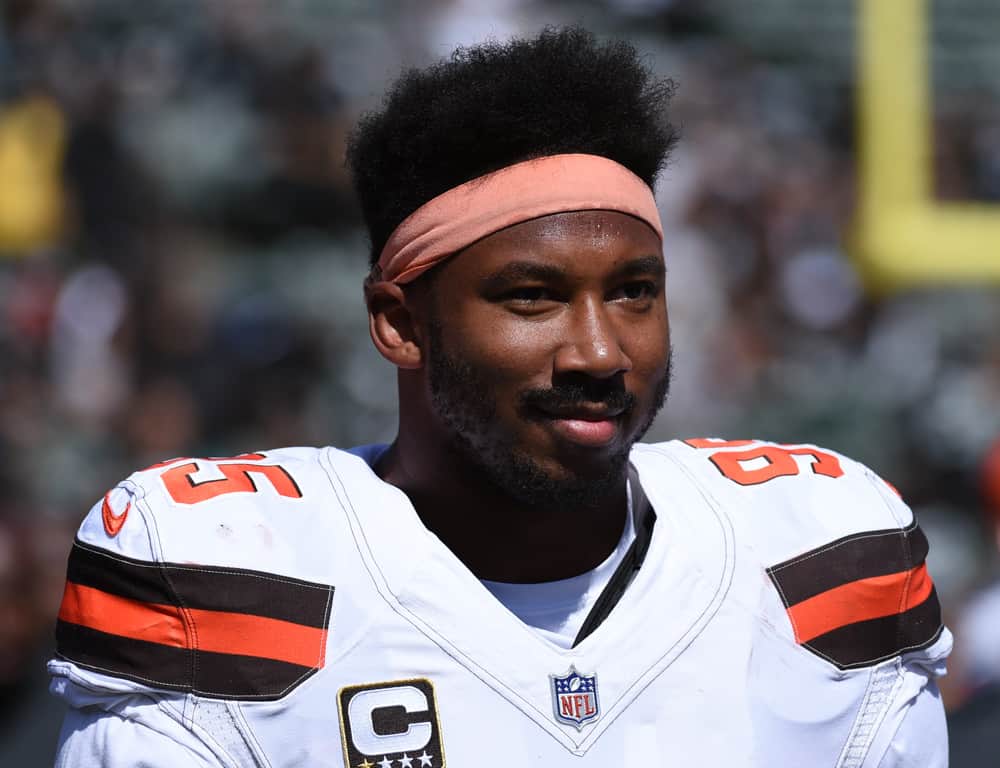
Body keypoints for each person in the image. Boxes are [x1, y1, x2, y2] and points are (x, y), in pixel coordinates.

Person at [49, 28, 950, 766]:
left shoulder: (818, 557)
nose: (600, 350)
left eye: (635, 290)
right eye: (533, 297)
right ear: (400, 323)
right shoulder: (225, 580)